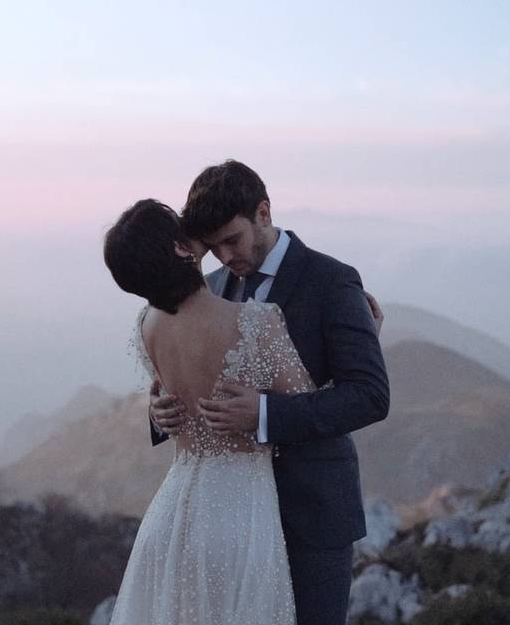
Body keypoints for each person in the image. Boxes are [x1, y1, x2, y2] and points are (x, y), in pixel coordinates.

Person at [150, 160, 390, 625]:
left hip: (312, 513)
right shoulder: (211, 290)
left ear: (263, 212)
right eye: (212, 246)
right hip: (230, 516)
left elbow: (369, 395)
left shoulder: (331, 280)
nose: (223, 257)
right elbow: (186, 375)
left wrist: (264, 414)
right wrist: (161, 412)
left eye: (231, 240)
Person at [104, 198, 319, 624]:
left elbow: (169, 394)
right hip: (238, 512)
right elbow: (307, 405)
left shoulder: (146, 327)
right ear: (182, 251)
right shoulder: (255, 322)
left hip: (173, 510)